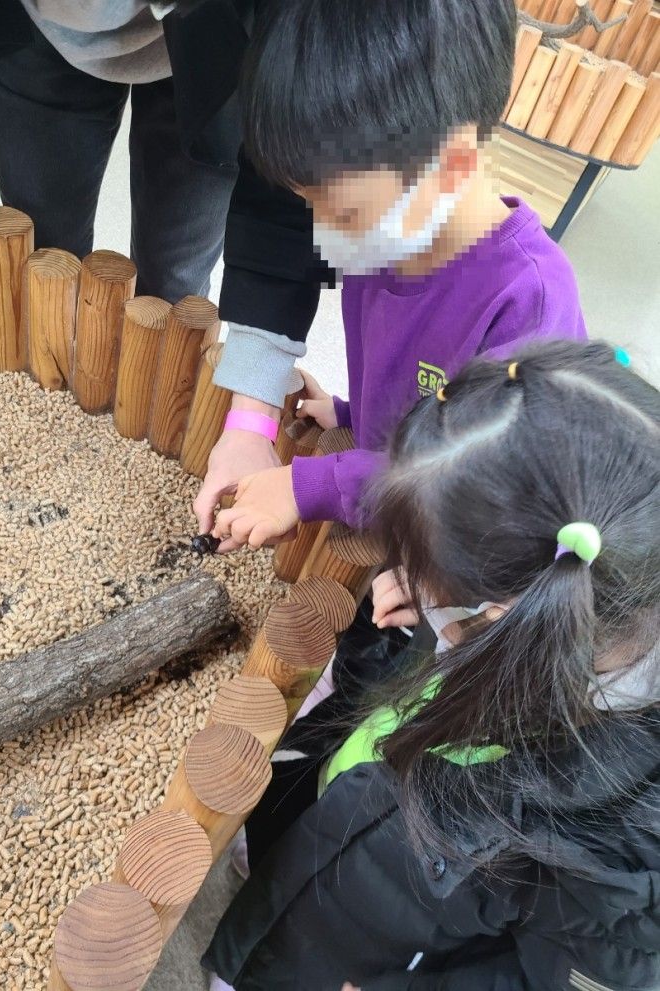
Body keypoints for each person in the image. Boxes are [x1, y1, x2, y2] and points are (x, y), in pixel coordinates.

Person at [204, 338, 660, 990]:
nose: (398, 580)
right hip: (336, 845)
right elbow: (383, 698)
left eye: (417, 569)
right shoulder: (543, 596)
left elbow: (531, 973)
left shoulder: (617, 848)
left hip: (355, 956)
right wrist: (414, 616)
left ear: (499, 622)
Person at [0, 0, 326, 527]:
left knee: (175, 291)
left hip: (225, 51)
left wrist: (253, 419)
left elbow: (287, 186)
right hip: (35, 40)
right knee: (46, 260)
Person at [212, 0, 588, 557]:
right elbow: (430, 397)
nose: (321, 235)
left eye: (342, 212)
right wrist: (349, 414)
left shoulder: (527, 301)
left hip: (464, 560)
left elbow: (478, 481)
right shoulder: (389, 232)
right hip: (393, 519)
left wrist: (309, 484)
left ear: (452, 168)